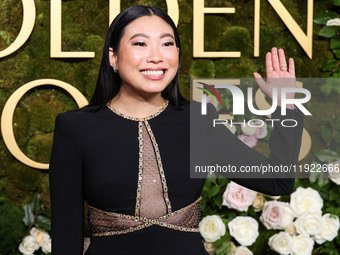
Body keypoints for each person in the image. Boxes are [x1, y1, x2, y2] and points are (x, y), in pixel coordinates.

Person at [48, 5, 304, 255]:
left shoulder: (198, 120)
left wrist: (285, 104)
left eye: (167, 43)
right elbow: (66, 233)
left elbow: (278, 180)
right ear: (113, 57)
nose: (156, 56)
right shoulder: (75, 127)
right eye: (140, 44)